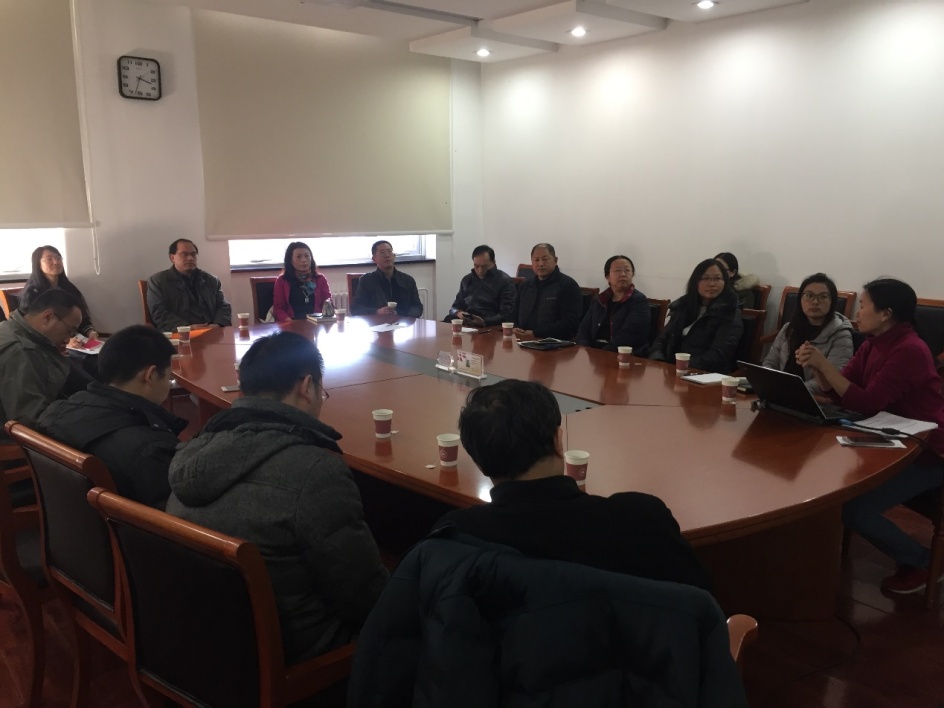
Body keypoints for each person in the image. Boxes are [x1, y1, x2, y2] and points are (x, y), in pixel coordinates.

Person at [165, 331, 387, 662]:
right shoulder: (316, 471)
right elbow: (364, 597)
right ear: (306, 386)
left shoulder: (192, 451)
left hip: (201, 642)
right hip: (293, 655)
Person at [433, 379, 712, 591]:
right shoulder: (642, 520)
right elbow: (702, 607)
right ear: (558, 440)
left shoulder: (456, 535)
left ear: (479, 461)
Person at [797, 278, 944, 595]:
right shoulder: (872, 342)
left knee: (854, 508)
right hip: (887, 436)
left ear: (886, 313)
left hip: (925, 450)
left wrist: (823, 364)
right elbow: (842, 390)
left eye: (863, 305)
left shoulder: (910, 350)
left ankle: (922, 561)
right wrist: (819, 368)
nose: (857, 312)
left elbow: (867, 402)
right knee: (819, 474)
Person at [37, 326, 187, 509]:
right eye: (168, 377)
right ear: (151, 375)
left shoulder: (55, 412)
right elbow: (176, 511)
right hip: (128, 524)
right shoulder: (151, 448)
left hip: (69, 515)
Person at [0, 289, 87, 433]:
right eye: (69, 331)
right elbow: (28, 420)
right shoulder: (20, 351)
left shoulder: (8, 328)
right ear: (47, 317)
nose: (68, 340)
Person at [648, 258, 743, 374]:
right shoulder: (683, 306)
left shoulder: (731, 312)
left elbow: (719, 355)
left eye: (717, 278)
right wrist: (659, 362)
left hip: (705, 375)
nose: (712, 284)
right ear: (695, 282)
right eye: (706, 278)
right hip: (672, 371)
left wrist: (680, 367)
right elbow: (661, 340)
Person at [762, 273, 853, 393]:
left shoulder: (841, 335)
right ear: (800, 299)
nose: (815, 301)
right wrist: (770, 383)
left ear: (832, 302)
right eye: (809, 295)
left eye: (823, 297)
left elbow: (833, 380)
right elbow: (770, 363)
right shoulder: (789, 328)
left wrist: (794, 391)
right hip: (779, 393)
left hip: (811, 398)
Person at [19, 245, 98, 345]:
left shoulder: (69, 288)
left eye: (58, 258)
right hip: (43, 344)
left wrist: (90, 331)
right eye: (49, 259)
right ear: (38, 264)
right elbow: (31, 327)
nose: (56, 262)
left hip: (76, 341)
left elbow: (80, 315)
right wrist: (66, 341)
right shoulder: (32, 293)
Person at [146, 239, 232, 331]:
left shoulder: (211, 280)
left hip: (211, 331)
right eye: (184, 254)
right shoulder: (158, 281)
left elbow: (223, 306)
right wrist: (187, 328)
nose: (190, 258)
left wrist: (217, 324)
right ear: (172, 258)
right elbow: (159, 312)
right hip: (179, 333)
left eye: (193, 254)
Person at [575, 254, 651, 354]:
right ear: (607, 276)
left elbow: (630, 337)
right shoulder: (599, 300)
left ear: (633, 274)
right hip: (593, 352)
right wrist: (584, 350)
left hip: (622, 354)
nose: (623, 274)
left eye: (627, 270)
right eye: (618, 270)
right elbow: (584, 330)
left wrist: (601, 354)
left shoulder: (639, 301)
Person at [514, 243, 583, 340]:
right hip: (523, 339)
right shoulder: (525, 286)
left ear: (555, 260)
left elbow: (570, 323)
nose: (541, 264)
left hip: (554, 343)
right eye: (536, 260)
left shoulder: (568, 286)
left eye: (545, 259)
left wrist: (535, 334)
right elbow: (513, 313)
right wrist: (515, 327)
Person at [443, 245, 516, 327]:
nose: (480, 271)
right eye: (476, 266)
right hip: (468, 322)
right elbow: (454, 308)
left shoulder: (505, 282)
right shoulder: (467, 280)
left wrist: (484, 321)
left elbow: (507, 314)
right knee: (449, 319)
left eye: (485, 266)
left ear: (493, 262)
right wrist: (458, 313)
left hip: (490, 324)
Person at [350, 240, 423, 318]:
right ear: (374, 258)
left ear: (394, 256)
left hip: (402, 322)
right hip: (376, 323)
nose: (387, 255)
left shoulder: (407, 280)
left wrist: (405, 317)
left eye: (389, 251)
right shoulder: (366, 281)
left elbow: (417, 307)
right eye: (382, 252)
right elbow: (355, 309)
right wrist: (377, 312)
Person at [272, 241, 332, 321]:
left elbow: (328, 303)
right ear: (290, 260)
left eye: (307, 256)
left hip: (316, 323)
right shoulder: (282, 281)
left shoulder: (320, 279)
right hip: (291, 323)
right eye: (299, 257)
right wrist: (289, 322)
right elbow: (278, 309)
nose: (304, 260)